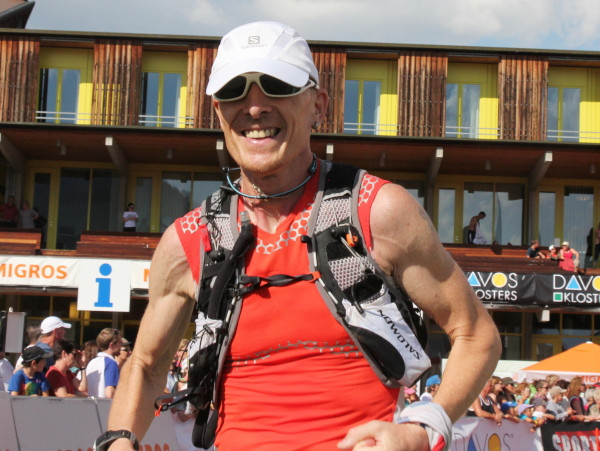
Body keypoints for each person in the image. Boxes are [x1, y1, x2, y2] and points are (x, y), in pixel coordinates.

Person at [104, 21, 501, 451]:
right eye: (235, 91)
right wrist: (118, 441)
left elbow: (476, 335)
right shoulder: (188, 240)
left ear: (318, 105)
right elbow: (146, 365)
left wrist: (421, 429)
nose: (255, 107)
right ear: (217, 111)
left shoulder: (378, 211)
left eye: (276, 85)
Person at [86, 328, 123, 399]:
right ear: (112, 345)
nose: (121, 346)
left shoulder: (91, 362)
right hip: (105, 404)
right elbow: (110, 393)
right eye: (120, 343)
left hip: (92, 404)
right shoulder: (111, 363)